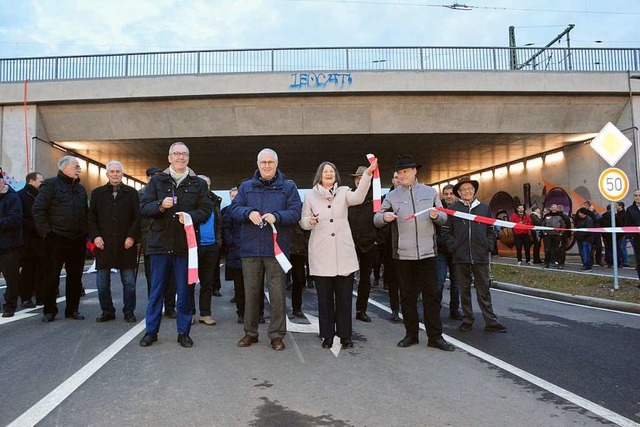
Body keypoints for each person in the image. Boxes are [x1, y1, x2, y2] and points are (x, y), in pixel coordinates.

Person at [373, 155, 455, 351]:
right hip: (403, 255)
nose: (402, 175)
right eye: (400, 172)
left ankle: (435, 336)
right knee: (407, 296)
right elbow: (376, 218)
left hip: (428, 253)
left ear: (414, 171)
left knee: (432, 295)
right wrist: (384, 216)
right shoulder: (391, 196)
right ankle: (411, 334)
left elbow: (444, 217)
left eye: (406, 171)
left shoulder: (430, 192)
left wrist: (437, 216)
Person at [139, 142, 212, 348]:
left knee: (185, 291)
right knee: (156, 291)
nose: (181, 157)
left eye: (184, 154)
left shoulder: (198, 184)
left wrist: (190, 216)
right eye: (177, 154)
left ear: (188, 158)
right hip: (159, 245)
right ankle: (151, 331)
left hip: (185, 247)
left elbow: (206, 210)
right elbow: (144, 207)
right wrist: (160, 206)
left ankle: (183, 332)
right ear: (169, 158)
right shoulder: (156, 181)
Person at [231, 148, 302, 351]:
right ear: (258, 164)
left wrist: (277, 216)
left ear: (277, 164)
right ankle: (250, 333)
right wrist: (249, 212)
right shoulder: (245, 187)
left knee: (278, 294)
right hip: (251, 249)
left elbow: (295, 212)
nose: (267, 166)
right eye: (263, 162)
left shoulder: (288, 188)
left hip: (276, 250)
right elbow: (234, 210)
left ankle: (277, 335)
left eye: (270, 162)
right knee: (251, 293)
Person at [300, 160, 375, 349]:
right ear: (319, 175)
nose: (328, 173)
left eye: (332, 171)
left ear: (336, 175)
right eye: (325, 171)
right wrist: (310, 221)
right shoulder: (310, 196)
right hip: (320, 254)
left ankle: (345, 335)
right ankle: (327, 335)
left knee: (344, 298)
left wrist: (367, 176)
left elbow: (358, 197)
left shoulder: (343, 192)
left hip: (343, 254)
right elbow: (303, 221)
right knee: (324, 299)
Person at [443, 176, 507, 334]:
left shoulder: (484, 209)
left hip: (480, 255)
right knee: (464, 290)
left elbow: (491, 229)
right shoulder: (453, 210)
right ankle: (467, 319)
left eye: (469, 189)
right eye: (463, 190)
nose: (466, 192)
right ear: (459, 192)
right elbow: (446, 232)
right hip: (461, 256)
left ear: (474, 191)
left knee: (483, 289)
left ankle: (490, 321)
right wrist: (453, 247)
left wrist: (489, 245)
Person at [33, 156, 88, 322]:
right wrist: (47, 234)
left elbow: (86, 212)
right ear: (65, 168)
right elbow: (38, 210)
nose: (79, 169)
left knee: (75, 277)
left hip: (77, 239)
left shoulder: (81, 189)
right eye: (76, 166)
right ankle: (49, 311)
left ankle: (72, 310)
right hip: (56, 238)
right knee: (51, 276)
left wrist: (86, 231)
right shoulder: (50, 185)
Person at [88, 160, 141, 323]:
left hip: (126, 244)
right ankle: (107, 311)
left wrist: (132, 236)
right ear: (107, 174)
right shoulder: (97, 193)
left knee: (129, 282)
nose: (115, 174)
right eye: (112, 172)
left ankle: (129, 311)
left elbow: (137, 217)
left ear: (122, 174)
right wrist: (95, 236)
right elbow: (91, 218)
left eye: (118, 171)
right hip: (103, 244)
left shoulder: (131, 193)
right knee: (102, 283)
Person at [222, 186, 265, 324]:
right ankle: (241, 313)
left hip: (254, 251)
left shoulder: (254, 208)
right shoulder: (229, 211)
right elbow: (226, 228)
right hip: (237, 252)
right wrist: (233, 243)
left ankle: (259, 314)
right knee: (239, 286)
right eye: (233, 196)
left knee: (257, 286)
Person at [139, 166, 178, 318]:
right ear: (148, 177)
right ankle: (155, 307)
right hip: (150, 240)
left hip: (167, 240)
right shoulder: (141, 194)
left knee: (171, 278)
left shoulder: (169, 191)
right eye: (153, 175)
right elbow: (139, 218)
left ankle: (169, 307)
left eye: (158, 174)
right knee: (153, 279)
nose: (156, 177)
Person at [190, 175, 222, 326]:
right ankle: (189, 313)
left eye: (207, 184)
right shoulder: (190, 200)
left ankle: (205, 313)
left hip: (211, 247)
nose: (204, 186)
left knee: (207, 283)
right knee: (189, 282)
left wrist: (218, 242)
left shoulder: (215, 201)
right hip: (193, 246)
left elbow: (219, 223)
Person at [348, 166, 378, 323]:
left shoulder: (375, 199)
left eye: (363, 177)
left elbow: (381, 221)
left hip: (369, 243)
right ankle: (344, 309)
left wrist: (376, 239)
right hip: (350, 243)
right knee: (346, 278)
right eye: (357, 178)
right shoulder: (348, 196)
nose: (359, 180)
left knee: (365, 279)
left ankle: (361, 310)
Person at [17, 171, 45, 308]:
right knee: (27, 271)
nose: (42, 183)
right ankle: (26, 298)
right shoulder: (21, 196)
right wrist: (37, 226)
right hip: (27, 240)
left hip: (41, 240)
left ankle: (41, 297)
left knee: (42, 270)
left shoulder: (42, 195)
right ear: (31, 181)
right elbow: (20, 218)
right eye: (40, 180)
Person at [435, 184, 462, 320]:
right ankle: (435, 309)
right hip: (441, 251)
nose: (449, 196)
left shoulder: (460, 210)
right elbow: (434, 230)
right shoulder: (438, 209)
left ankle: (454, 310)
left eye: (451, 193)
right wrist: (444, 243)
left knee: (456, 282)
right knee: (439, 281)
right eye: (446, 194)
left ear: (455, 195)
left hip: (456, 252)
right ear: (443, 195)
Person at [0, 167, 23, 317]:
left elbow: (15, 219)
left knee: (11, 277)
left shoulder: (12, 197)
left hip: (9, 245)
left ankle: (10, 305)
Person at [288, 222, 310, 318]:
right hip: (288, 247)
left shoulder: (303, 208)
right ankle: (295, 308)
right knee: (277, 281)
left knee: (298, 280)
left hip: (298, 249)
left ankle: (297, 307)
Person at [541, 204, 564, 269]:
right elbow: (542, 225)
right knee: (547, 250)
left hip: (557, 236)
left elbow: (563, 226)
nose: (554, 209)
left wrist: (560, 234)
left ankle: (559, 264)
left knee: (558, 250)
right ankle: (546, 263)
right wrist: (544, 233)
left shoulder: (560, 216)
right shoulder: (546, 216)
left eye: (555, 208)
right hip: (548, 236)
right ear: (550, 208)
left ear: (557, 209)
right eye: (552, 207)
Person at [625, 189, 640, 284]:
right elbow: (628, 224)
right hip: (637, 239)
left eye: (639, 195)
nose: (638, 197)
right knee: (639, 260)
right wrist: (630, 237)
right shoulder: (630, 209)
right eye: (636, 195)